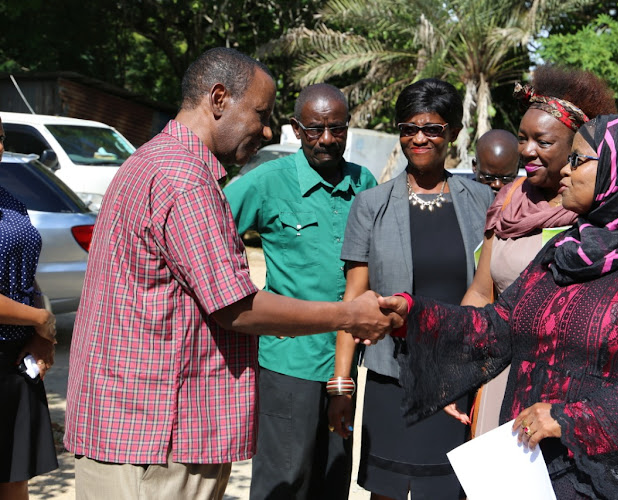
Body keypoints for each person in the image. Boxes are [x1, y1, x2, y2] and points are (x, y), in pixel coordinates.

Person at [64, 48, 400, 500]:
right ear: (219, 98)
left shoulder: (152, 161)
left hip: (133, 427)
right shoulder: (187, 181)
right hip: (158, 438)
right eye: (261, 113)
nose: (266, 129)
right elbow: (235, 308)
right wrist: (348, 316)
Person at [383, 114, 618, 499]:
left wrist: (571, 419)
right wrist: (413, 315)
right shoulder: (568, 246)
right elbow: (499, 324)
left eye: (578, 160)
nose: (565, 168)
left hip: (609, 479)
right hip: (530, 470)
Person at [328, 78, 495, 500]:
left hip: (460, 381)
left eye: (432, 128)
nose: (419, 138)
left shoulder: (482, 201)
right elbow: (354, 300)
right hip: (393, 381)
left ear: (453, 133)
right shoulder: (371, 205)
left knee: (449, 491)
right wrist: (342, 384)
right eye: (408, 128)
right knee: (387, 491)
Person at [224, 83, 377, 500]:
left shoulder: (363, 182)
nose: (326, 139)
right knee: (285, 480)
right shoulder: (267, 181)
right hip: (288, 361)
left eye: (336, 129)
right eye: (314, 130)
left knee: (332, 477)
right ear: (296, 128)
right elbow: (206, 238)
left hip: (343, 361)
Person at [461, 66, 617, 437]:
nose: (527, 151)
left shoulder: (598, 213)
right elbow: (482, 292)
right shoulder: (509, 198)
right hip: (497, 376)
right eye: (523, 138)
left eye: (542, 142)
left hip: (562, 391)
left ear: (576, 147)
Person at [0, 116, 59, 500]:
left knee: (14, 480)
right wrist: (42, 319)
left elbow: (26, 275)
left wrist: (43, 337)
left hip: (16, 361)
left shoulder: (10, 201)